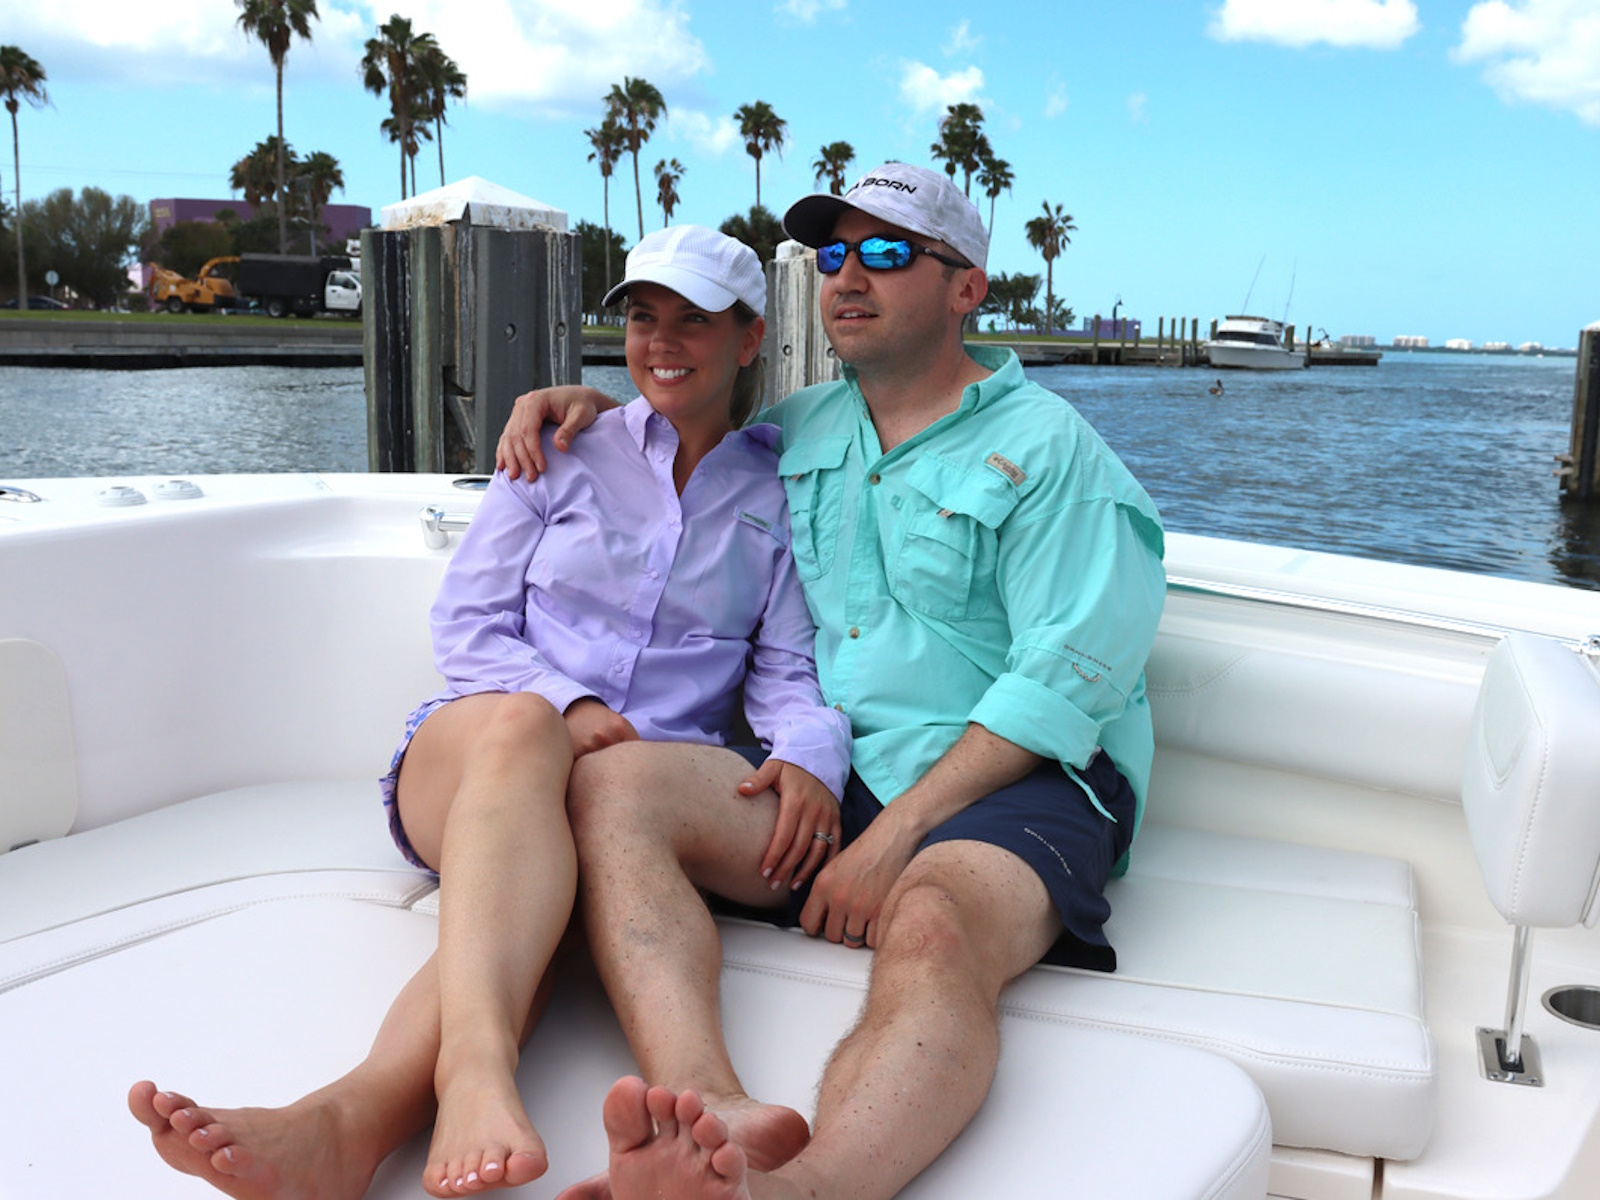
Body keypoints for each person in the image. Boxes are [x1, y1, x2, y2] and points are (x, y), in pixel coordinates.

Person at [126, 224, 851, 1200]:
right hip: (481, 759)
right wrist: (570, 703)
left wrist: (809, 752)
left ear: (751, 338)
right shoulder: (559, 448)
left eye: (694, 321)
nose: (662, 342)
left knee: (551, 883)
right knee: (525, 726)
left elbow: (786, 668)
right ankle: (474, 1071)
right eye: (644, 318)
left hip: (627, 795)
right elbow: (465, 624)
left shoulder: (778, 491)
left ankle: (342, 1126)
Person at [496, 163, 1167, 1200]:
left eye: (888, 252)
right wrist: (579, 406)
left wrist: (894, 838)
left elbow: (1064, 683)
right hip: (836, 766)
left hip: (1019, 781)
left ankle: (798, 1193)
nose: (850, 276)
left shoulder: (1055, 455)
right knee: (612, 786)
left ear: (966, 288)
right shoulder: (800, 427)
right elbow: (679, 415)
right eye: (834, 254)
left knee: (933, 922)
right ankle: (709, 1109)